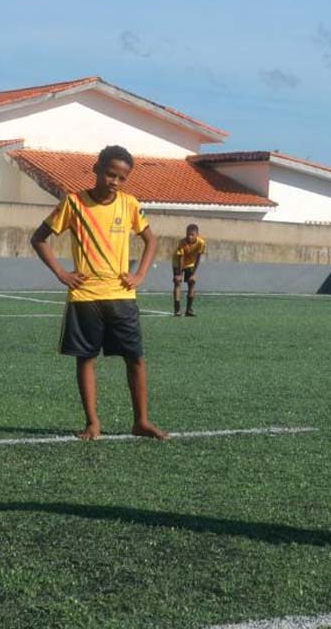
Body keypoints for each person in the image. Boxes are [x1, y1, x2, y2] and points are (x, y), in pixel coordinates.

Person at [30, 145, 169, 441]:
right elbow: (39, 238)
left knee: (136, 358)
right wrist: (61, 273)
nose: (115, 182)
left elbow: (151, 240)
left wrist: (140, 274)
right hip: (85, 296)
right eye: (110, 174)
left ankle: (141, 421)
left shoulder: (130, 204)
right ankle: (93, 423)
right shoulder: (74, 203)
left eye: (121, 178)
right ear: (97, 169)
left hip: (122, 295)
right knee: (86, 358)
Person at [172, 224, 206, 317]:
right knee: (178, 282)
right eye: (188, 234)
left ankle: (189, 310)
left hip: (191, 263)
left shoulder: (201, 243)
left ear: (197, 235)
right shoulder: (182, 242)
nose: (189, 237)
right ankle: (177, 309)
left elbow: (198, 258)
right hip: (177, 262)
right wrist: (179, 274)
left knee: (192, 283)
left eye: (192, 235)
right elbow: (181, 258)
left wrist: (193, 274)